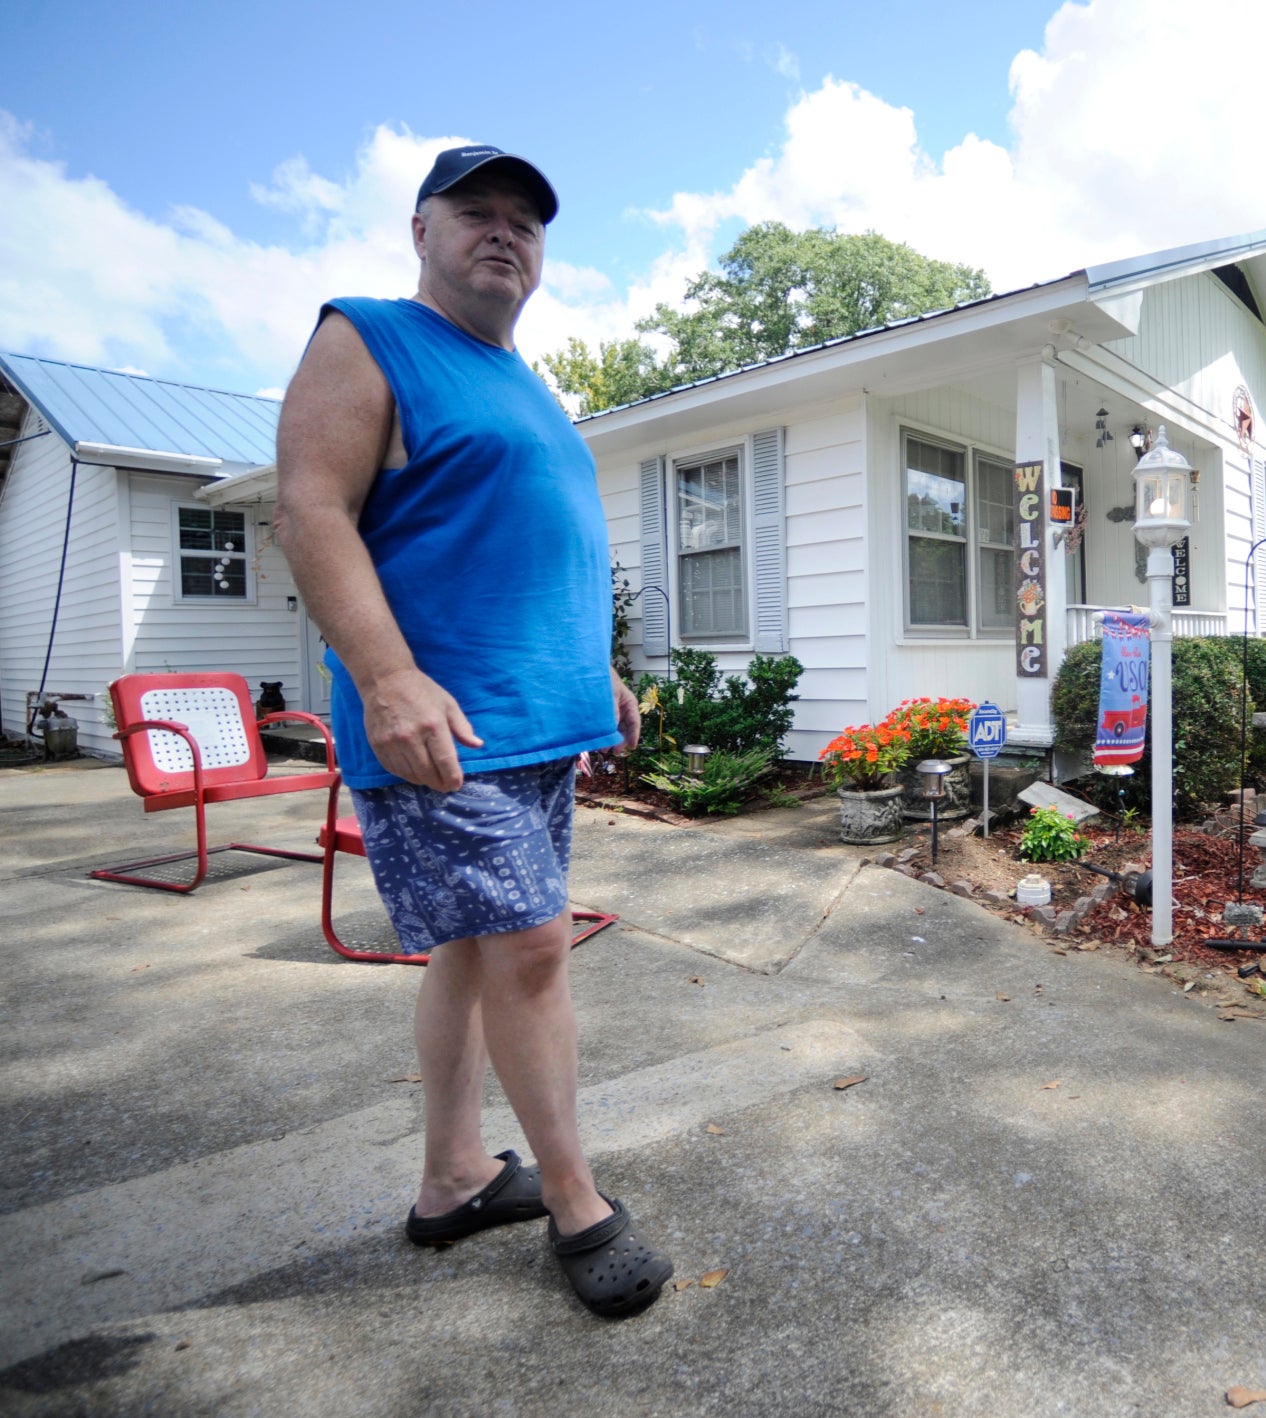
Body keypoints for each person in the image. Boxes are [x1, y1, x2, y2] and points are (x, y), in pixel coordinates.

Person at [275, 144, 670, 1319]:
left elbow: (532, 544)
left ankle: (452, 1177)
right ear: (420, 231)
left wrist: (595, 670)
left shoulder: (523, 380)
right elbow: (309, 507)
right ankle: (575, 1200)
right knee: (534, 950)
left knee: (473, 948)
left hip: (536, 726)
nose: (504, 234)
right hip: (439, 728)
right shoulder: (369, 337)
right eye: (477, 214)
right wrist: (385, 675)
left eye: (525, 223)